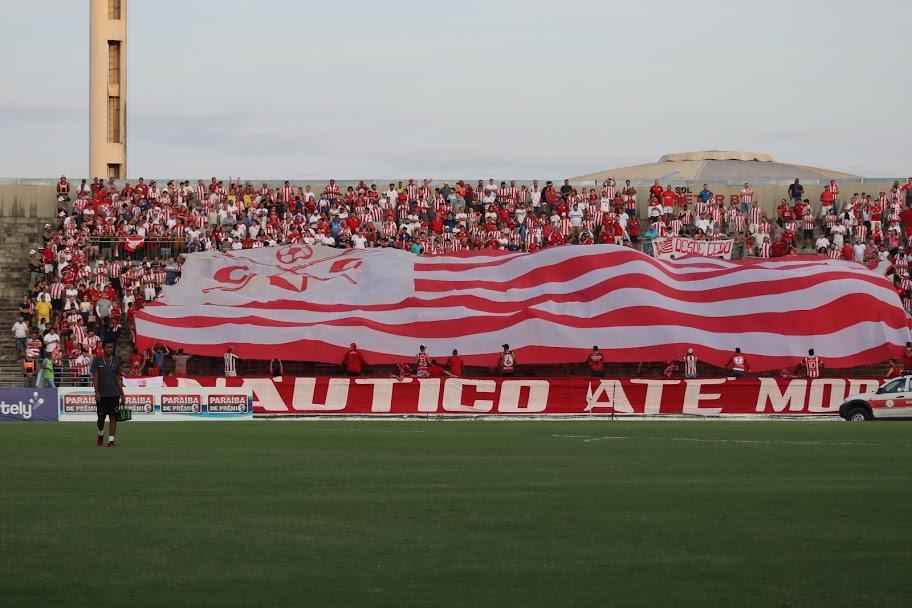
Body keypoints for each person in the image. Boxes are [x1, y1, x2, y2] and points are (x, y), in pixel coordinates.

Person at [92, 341, 123, 447]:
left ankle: (111, 440)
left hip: (114, 394)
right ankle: (100, 434)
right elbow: (95, 377)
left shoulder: (116, 360)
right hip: (102, 394)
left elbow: (119, 378)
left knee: (113, 417)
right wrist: (97, 392)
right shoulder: (97, 360)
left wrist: (122, 394)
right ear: (103, 348)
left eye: (112, 347)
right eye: (108, 347)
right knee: (101, 419)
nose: (110, 349)